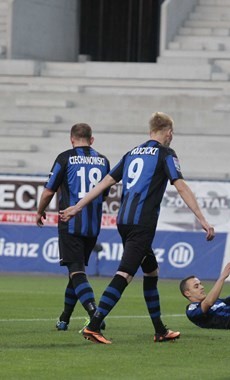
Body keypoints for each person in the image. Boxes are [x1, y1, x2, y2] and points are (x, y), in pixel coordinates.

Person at [60, 112, 215, 344]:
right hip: (142, 225)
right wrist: (202, 219)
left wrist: (77, 206)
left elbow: (104, 183)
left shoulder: (132, 153)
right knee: (125, 274)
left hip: (123, 222)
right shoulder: (166, 154)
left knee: (151, 271)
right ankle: (93, 326)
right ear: (169, 133)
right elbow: (181, 187)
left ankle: (160, 329)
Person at [36, 123, 110, 332]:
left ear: (71, 139)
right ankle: (64, 318)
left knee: (76, 272)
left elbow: (49, 191)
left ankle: (94, 313)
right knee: (76, 271)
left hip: (70, 224)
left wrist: (40, 211)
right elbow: (103, 194)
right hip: (93, 226)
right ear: (91, 139)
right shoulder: (104, 161)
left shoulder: (65, 158)